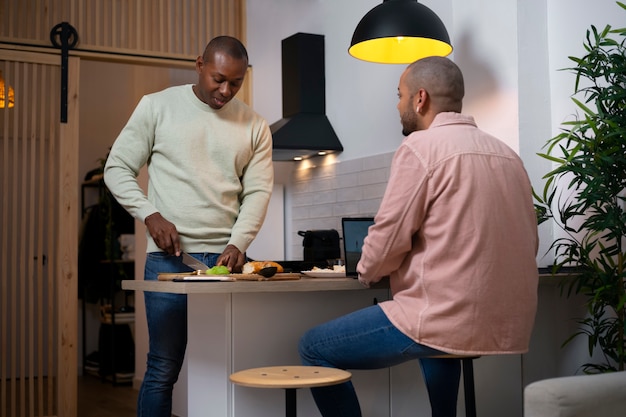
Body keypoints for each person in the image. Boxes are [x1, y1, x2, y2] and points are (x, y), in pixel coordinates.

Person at [298, 56, 538, 417]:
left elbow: (388, 237)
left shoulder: (420, 148)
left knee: (313, 346)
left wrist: (366, 271)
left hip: (442, 317)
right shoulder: (507, 155)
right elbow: (529, 241)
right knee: (437, 343)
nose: (397, 105)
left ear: (420, 99)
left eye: (400, 95)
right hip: (502, 322)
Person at [103, 36, 274, 417]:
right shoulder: (156, 106)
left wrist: (239, 241)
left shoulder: (255, 125)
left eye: (235, 83)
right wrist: (150, 214)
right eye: (218, 79)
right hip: (169, 261)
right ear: (199, 65)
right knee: (163, 367)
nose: (225, 91)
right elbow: (116, 168)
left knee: (237, 362)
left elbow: (259, 193)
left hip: (229, 264)